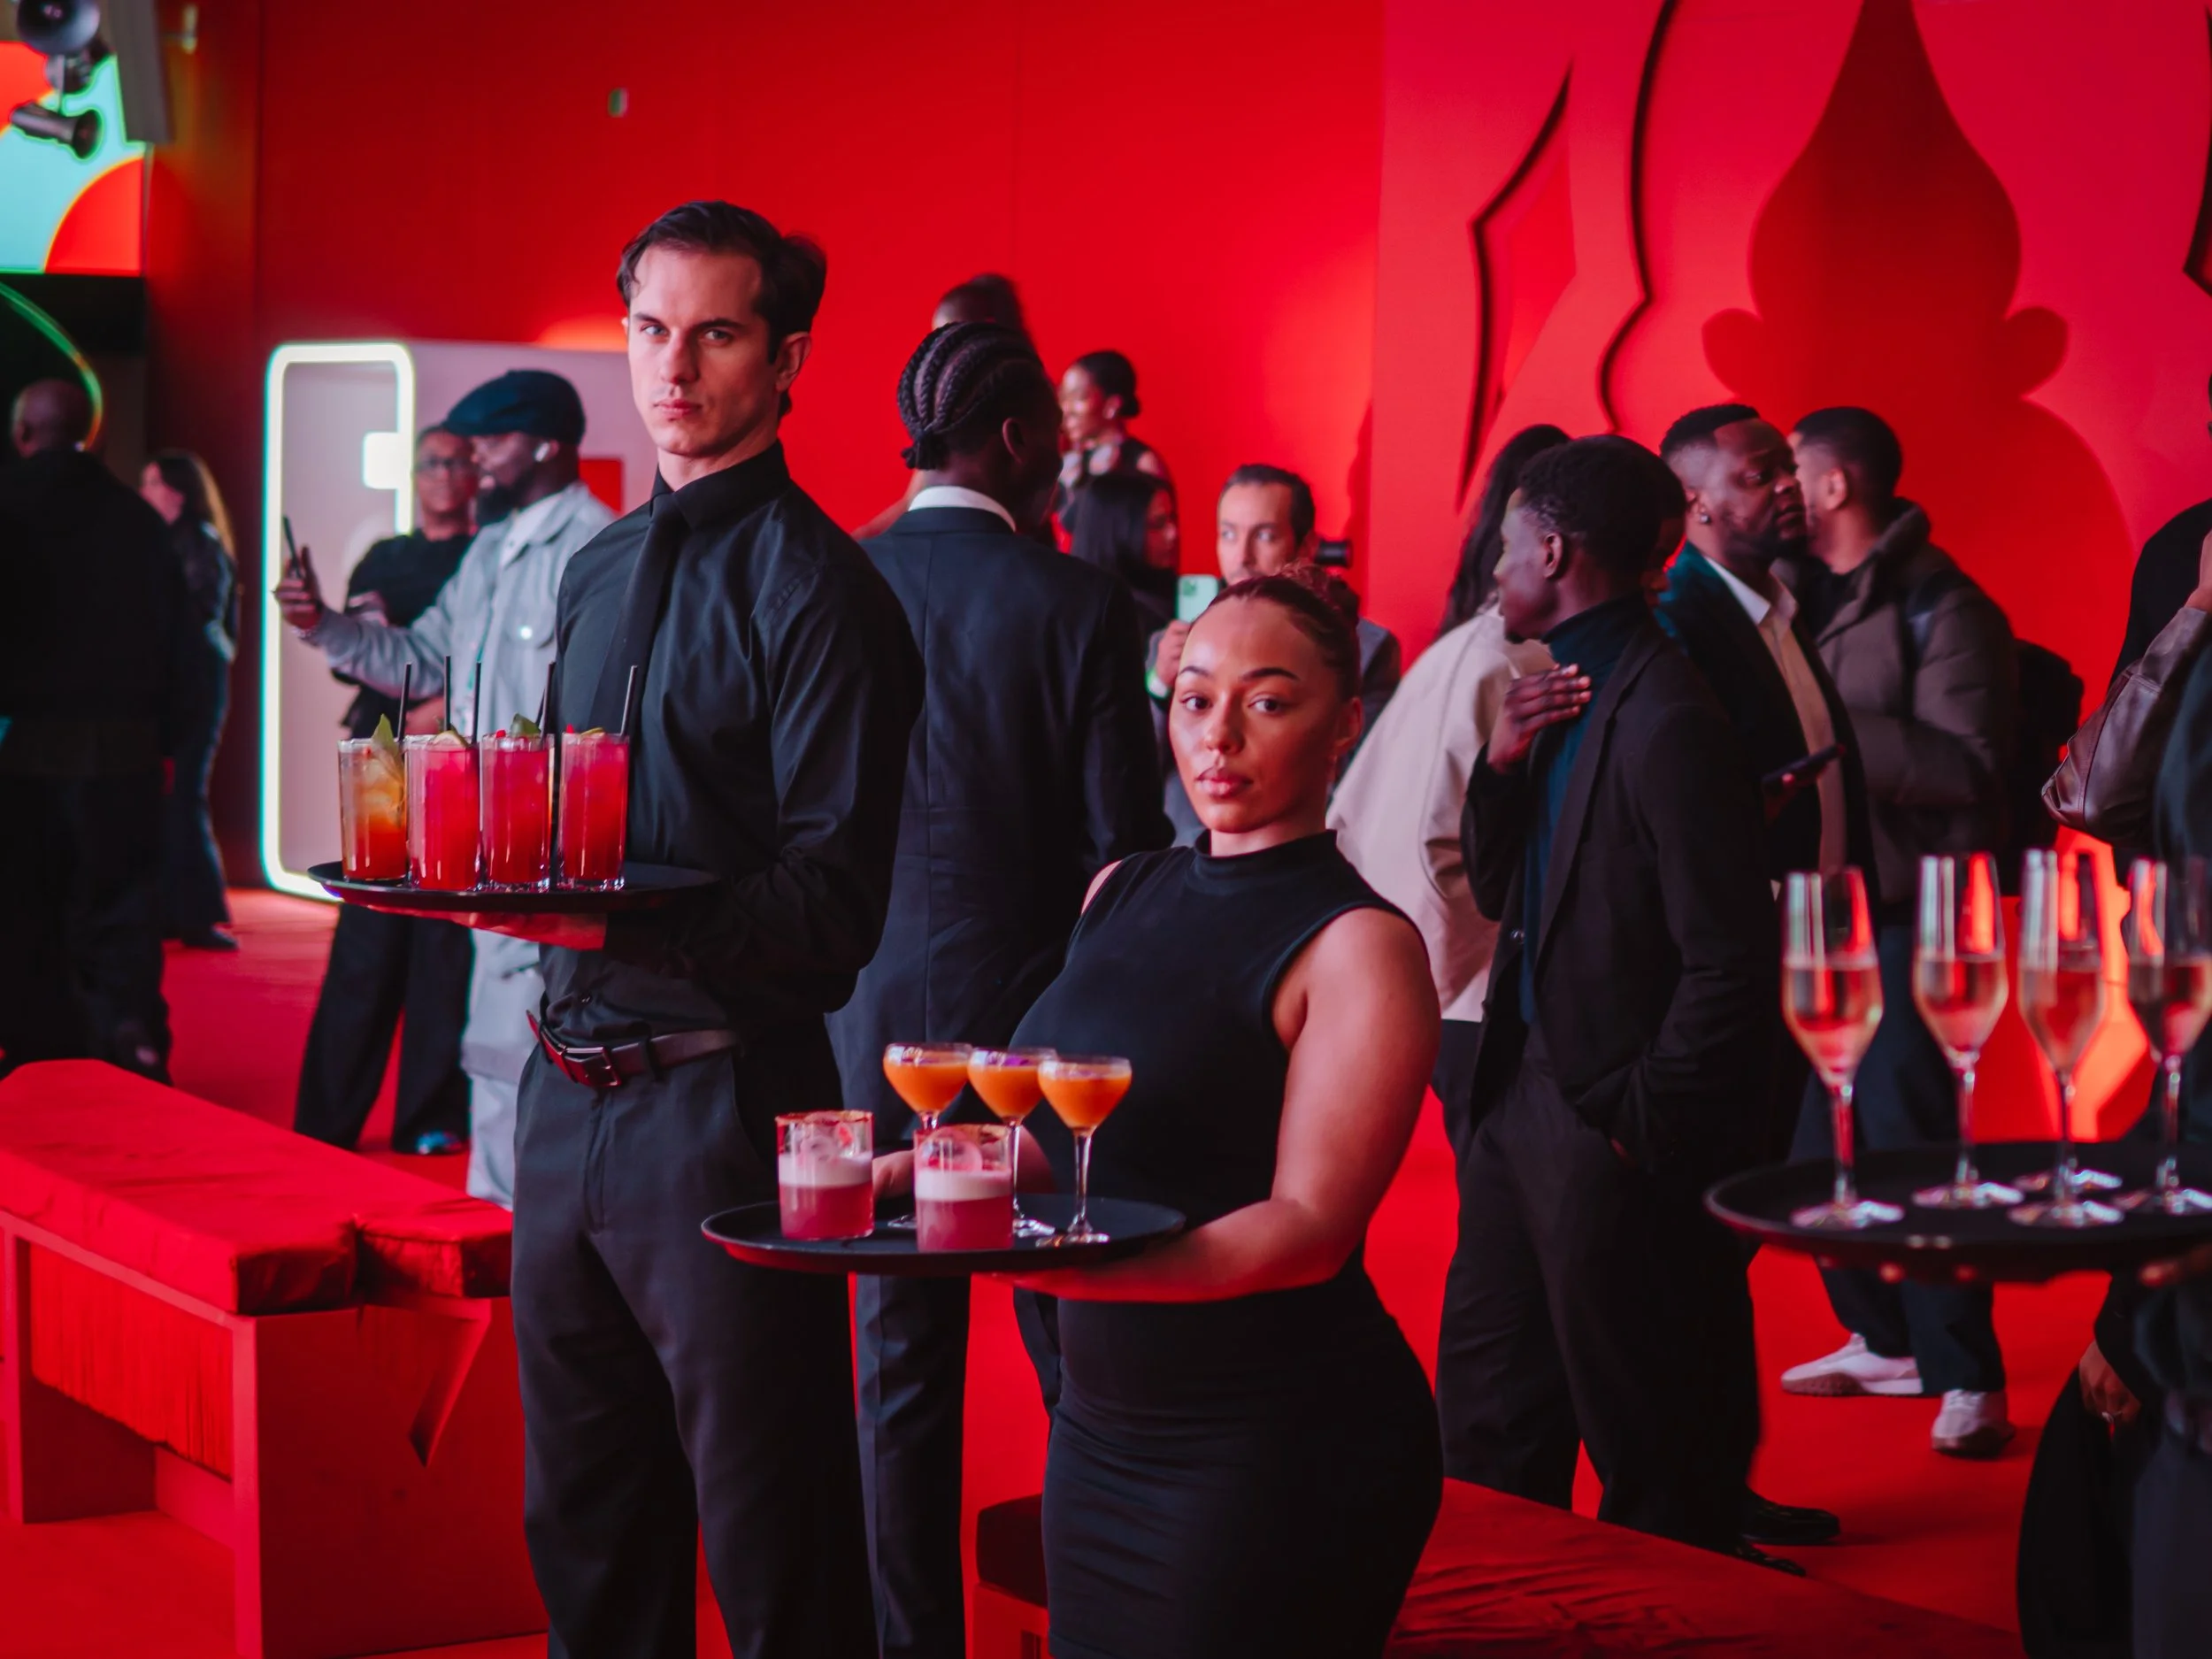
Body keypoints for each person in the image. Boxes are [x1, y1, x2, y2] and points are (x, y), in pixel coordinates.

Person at [481, 200, 918, 1659]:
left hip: (726, 1102)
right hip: (564, 1089)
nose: (675, 368)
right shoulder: (597, 570)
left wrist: (619, 931)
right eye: (653, 330)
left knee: (774, 1531)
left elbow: (834, 907)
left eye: (716, 333)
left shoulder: (829, 594)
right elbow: (572, 812)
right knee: (586, 1525)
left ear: (785, 359)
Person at [926, 565, 1440, 1659]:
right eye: (1196, 699)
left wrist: (1059, 1274)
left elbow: (1307, 1229)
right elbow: (1061, 1145)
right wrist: (914, 1179)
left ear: (1344, 724)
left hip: (1275, 1444)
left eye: (1267, 701)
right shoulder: (1123, 888)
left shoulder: (1361, 946)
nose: (1220, 738)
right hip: (1100, 1431)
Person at [831, 320, 1169, 1659]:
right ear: (1024, 441)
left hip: (859, 1016)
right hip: (1036, 1027)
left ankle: (916, 1643)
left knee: (896, 1371)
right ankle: (1104, 1619)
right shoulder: (1080, 600)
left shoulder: (836, 575)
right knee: (1077, 1353)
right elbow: (1119, 855)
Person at [1432, 436, 1779, 1563]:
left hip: (1602, 1122)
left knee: (1649, 1455)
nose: (1492, 565)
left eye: (1506, 540)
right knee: (1486, 1422)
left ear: (1552, 546)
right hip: (1512, 1100)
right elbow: (1498, 892)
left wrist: (1637, 1123)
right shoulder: (1556, 692)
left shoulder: (1666, 711)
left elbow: (1730, 959)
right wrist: (1498, 766)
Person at [273, 369, 613, 1192]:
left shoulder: (599, 545)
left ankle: (536, 1250)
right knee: (491, 1056)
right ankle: (509, 1249)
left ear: (544, 444)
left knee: (529, 1061)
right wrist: (324, 625)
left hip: (549, 851)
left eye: (490, 443)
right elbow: (422, 658)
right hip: (472, 838)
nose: (474, 460)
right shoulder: (491, 548)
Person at [1779, 405, 2021, 1459]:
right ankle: (1886, 1339)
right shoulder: (1787, 595)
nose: (1779, 488)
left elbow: (1971, 766)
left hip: (1918, 916)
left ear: (1835, 486)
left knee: (1918, 1148)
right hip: (1822, 909)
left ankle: (1970, 1377)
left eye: (1791, 468)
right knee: (1807, 1147)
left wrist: (1823, 726)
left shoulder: (1943, 604)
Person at [1330, 424, 1564, 1159]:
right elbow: (1438, 837)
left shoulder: (1470, 647)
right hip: (1469, 991)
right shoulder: (1504, 660)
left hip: (1440, 981)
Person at [292, 426, 479, 1156]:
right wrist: (417, 697)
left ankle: (430, 1116)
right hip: (383, 759)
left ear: (475, 473)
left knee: (442, 945)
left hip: (460, 764)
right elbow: (359, 658)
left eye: (457, 460)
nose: (443, 473)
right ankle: (327, 1119)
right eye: (431, 461)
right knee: (367, 938)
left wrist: (447, 704)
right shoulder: (386, 557)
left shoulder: (487, 556)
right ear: (415, 473)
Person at [0, 378, 185, 1081]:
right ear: (93, 434)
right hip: (125, 748)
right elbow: (179, 644)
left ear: (22, 433)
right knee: (122, 905)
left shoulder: (7, 506)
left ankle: (38, 1054)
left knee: (25, 908)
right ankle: (130, 1036)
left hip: (22, 747)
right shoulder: (136, 519)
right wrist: (169, 742)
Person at [1149, 465, 1402, 841]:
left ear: (1307, 547)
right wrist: (1157, 685)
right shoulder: (1171, 644)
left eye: (1264, 535)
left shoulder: (1365, 648)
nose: (1243, 556)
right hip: (1183, 852)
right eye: (1228, 534)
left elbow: (1364, 781)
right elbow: (1126, 773)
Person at [139, 449, 239, 951]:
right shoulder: (179, 543)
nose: (144, 493)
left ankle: (197, 915)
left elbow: (197, 619)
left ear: (177, 490)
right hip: (182, 683)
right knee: (173, 798)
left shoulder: (197, 543)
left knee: (184, 796)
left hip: (194, 685)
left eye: (152, 483)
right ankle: (179, 914)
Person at [854, 273, 1033, 540]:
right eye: (937, 338)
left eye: (952, 336)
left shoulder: (1034, 399)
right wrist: (857, 541)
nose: (941, 349)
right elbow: (912, 501)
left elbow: (1035, 508)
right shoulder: (946, 412)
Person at [1053, 349, 1169, 527]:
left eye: (1078, 398)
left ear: (1111, 406)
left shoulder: (1142, 464)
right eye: (1063, 398)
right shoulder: (1067, 464)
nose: (1066, 410)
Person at [1066, 470, 1180, 634]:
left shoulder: (1170, 590)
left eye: (1172, 518)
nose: (1173, 533)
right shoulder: (1110, 619)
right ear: (1116, 531)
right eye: (1157, 524)